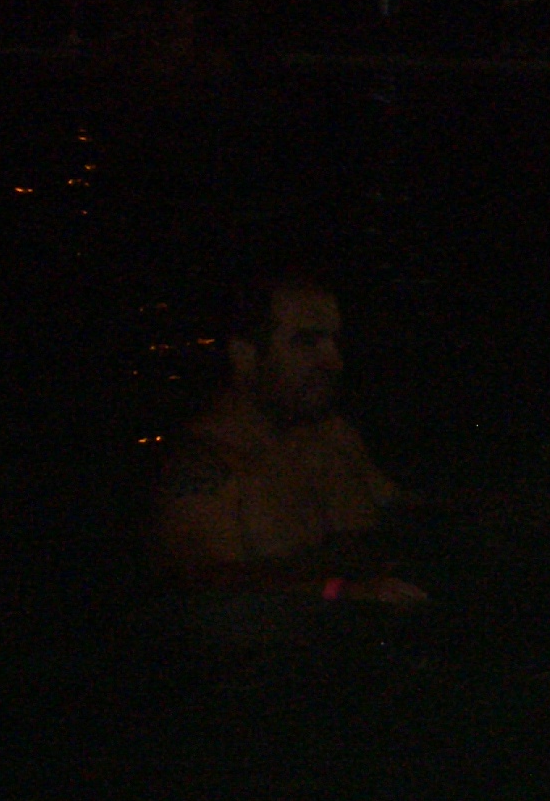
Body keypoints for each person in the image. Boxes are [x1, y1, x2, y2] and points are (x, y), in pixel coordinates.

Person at [150, 261, 430, 653]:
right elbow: (202, 586)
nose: (333, 361)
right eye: (306, 342)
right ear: (245, 356)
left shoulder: (334, 437)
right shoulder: (208, 463)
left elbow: (406, 512)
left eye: (334, 342)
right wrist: (340, 592)